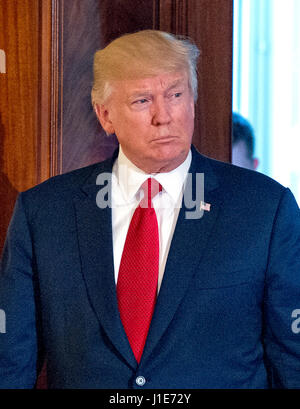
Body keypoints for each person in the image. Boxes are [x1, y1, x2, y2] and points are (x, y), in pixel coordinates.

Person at [0, 30, 300, 389]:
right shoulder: (44, 213)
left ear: (192, 100)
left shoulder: (264, 209)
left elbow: (292, 358)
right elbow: (10, 363)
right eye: (142, 101)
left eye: (175, 94)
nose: (164, 116)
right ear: (105, 115)